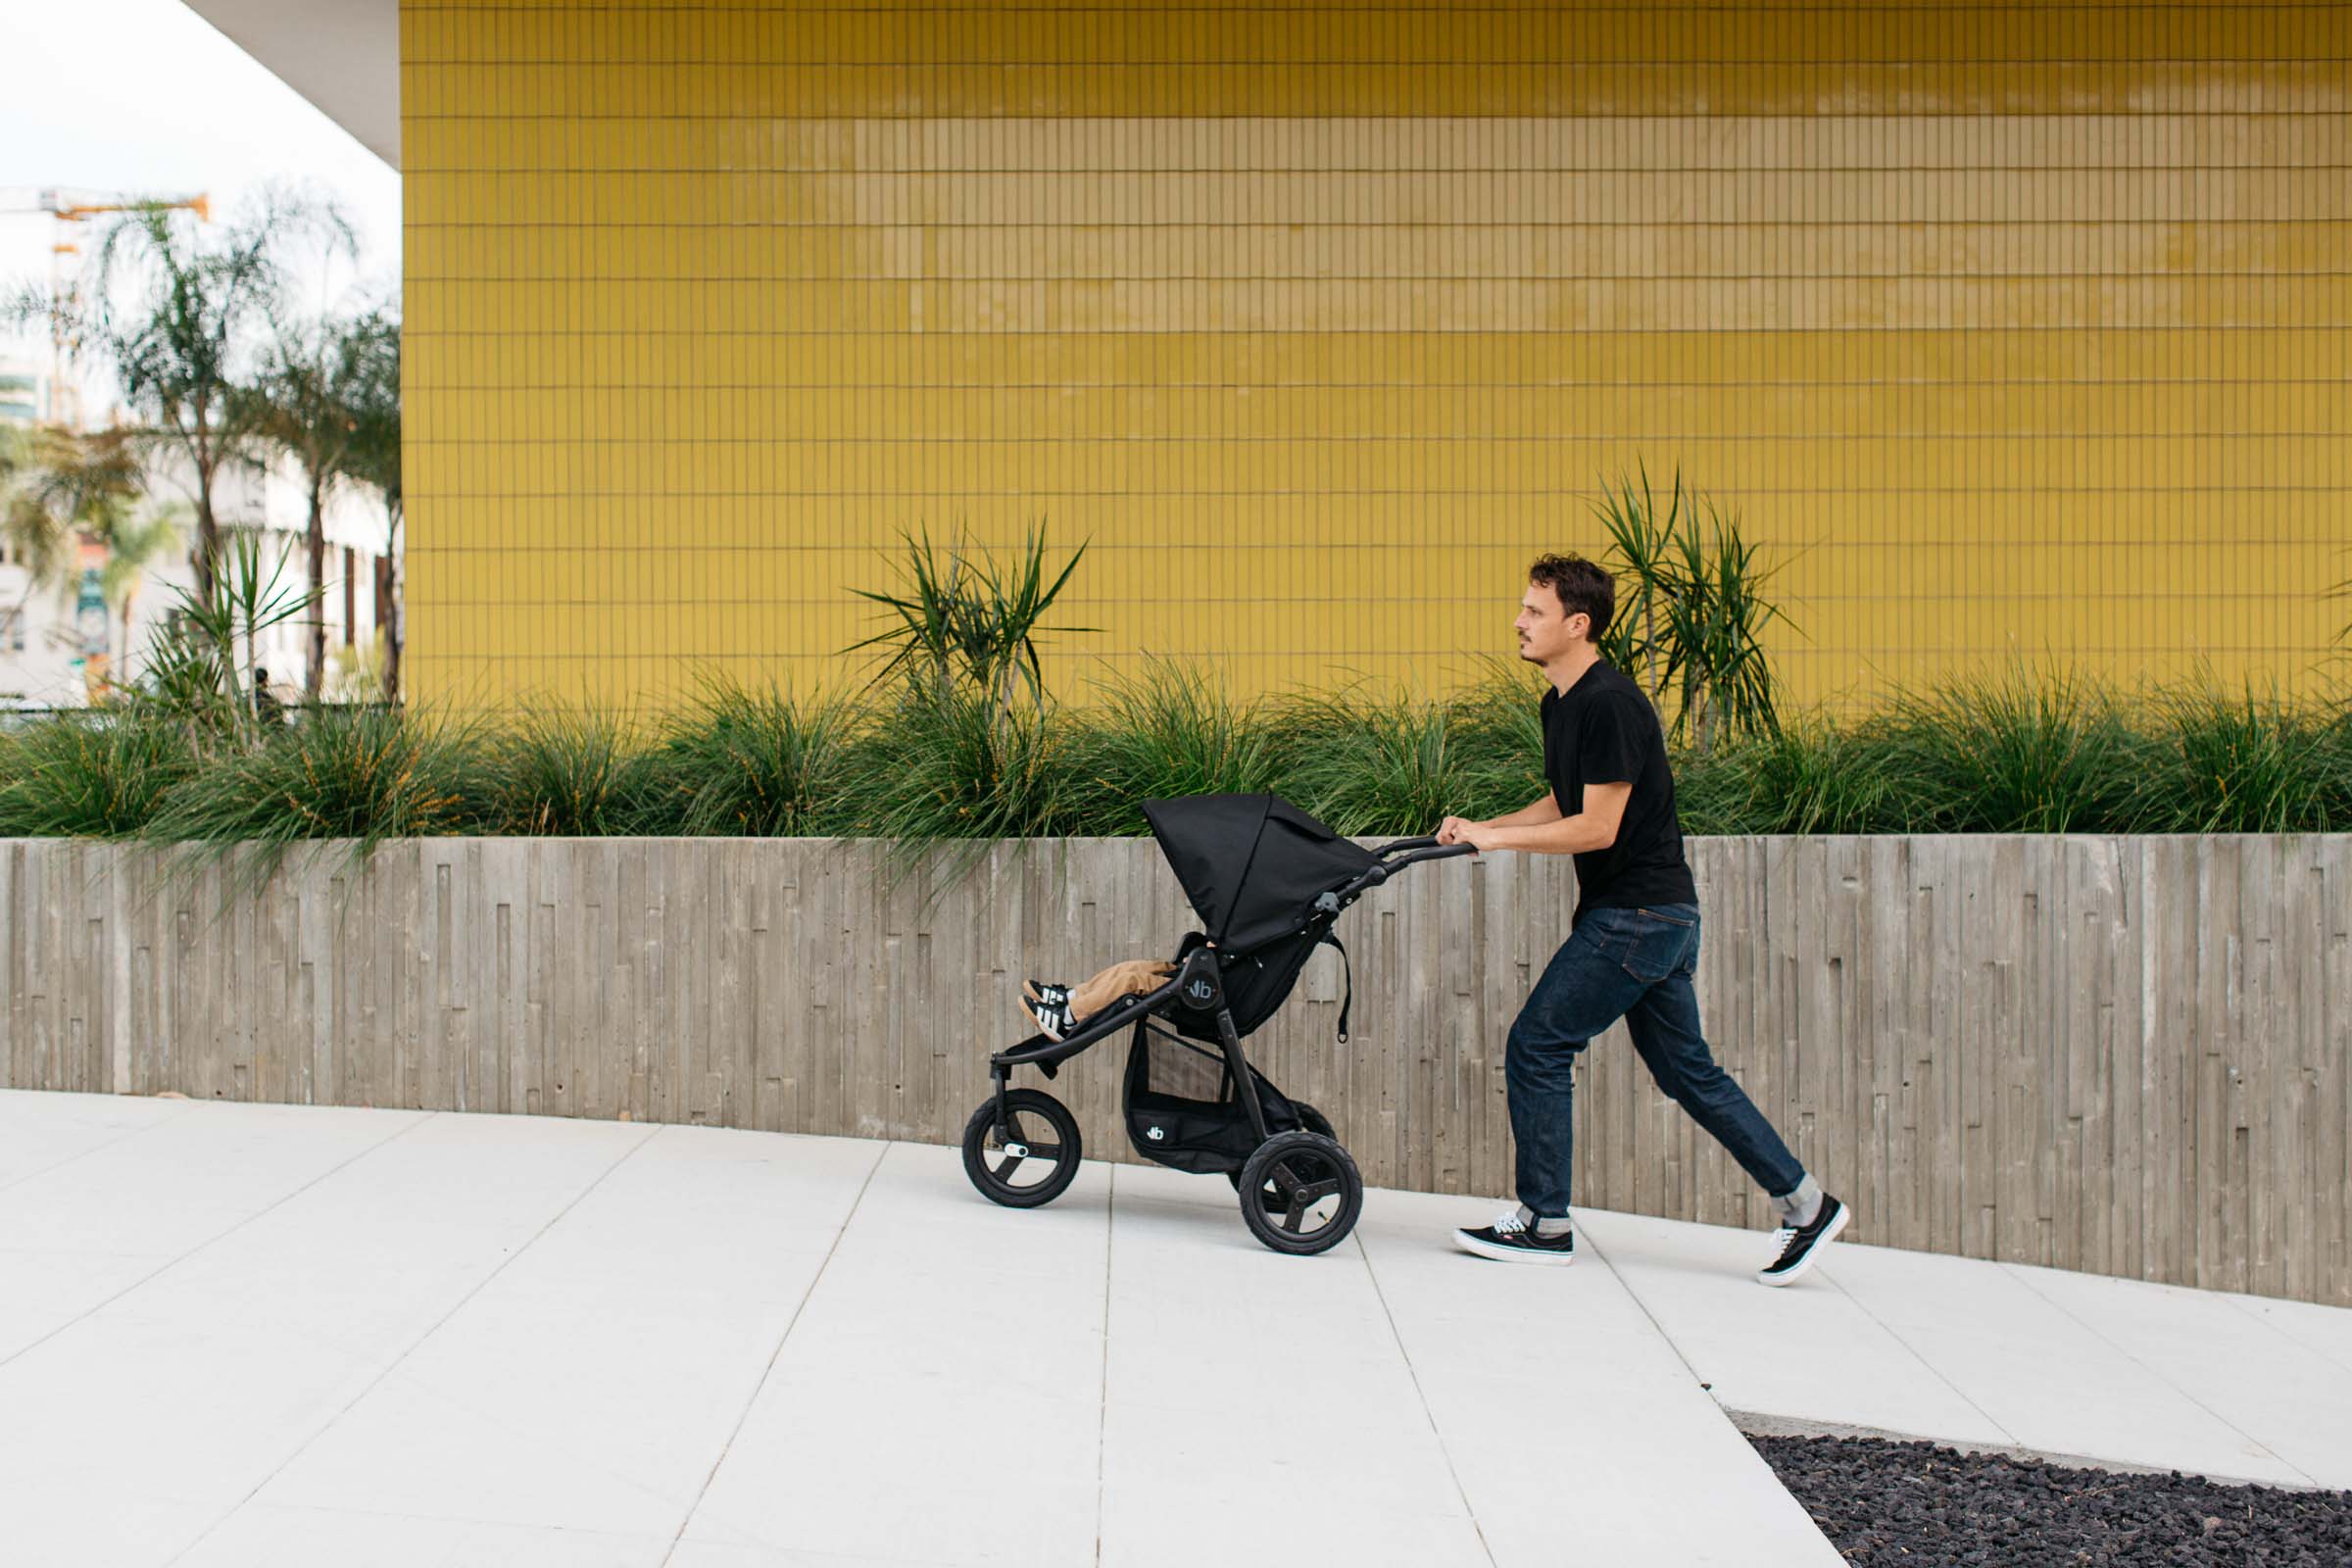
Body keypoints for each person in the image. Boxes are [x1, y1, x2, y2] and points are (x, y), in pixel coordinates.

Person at [1436, 554, 1847, 1285]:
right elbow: (1566, 800)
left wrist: (1497, 842)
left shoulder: (1611, 704)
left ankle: (1545, 1222)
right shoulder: (1561, 704)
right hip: (1651, 916)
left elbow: (1598, 828)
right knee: (1688, 1071)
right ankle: (1807, 1205)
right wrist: (1483, 828)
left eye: (1534, 611)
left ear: (1577, 624)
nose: (1519, 621)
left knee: (1538, 1044)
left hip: (1637, 915)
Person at [1020, 959, 1178, 1042]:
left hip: (1186, 993)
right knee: (1133, 968)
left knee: (1132, 981)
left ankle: (1067, 1019)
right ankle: (1071, 997)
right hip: (1186, 976)